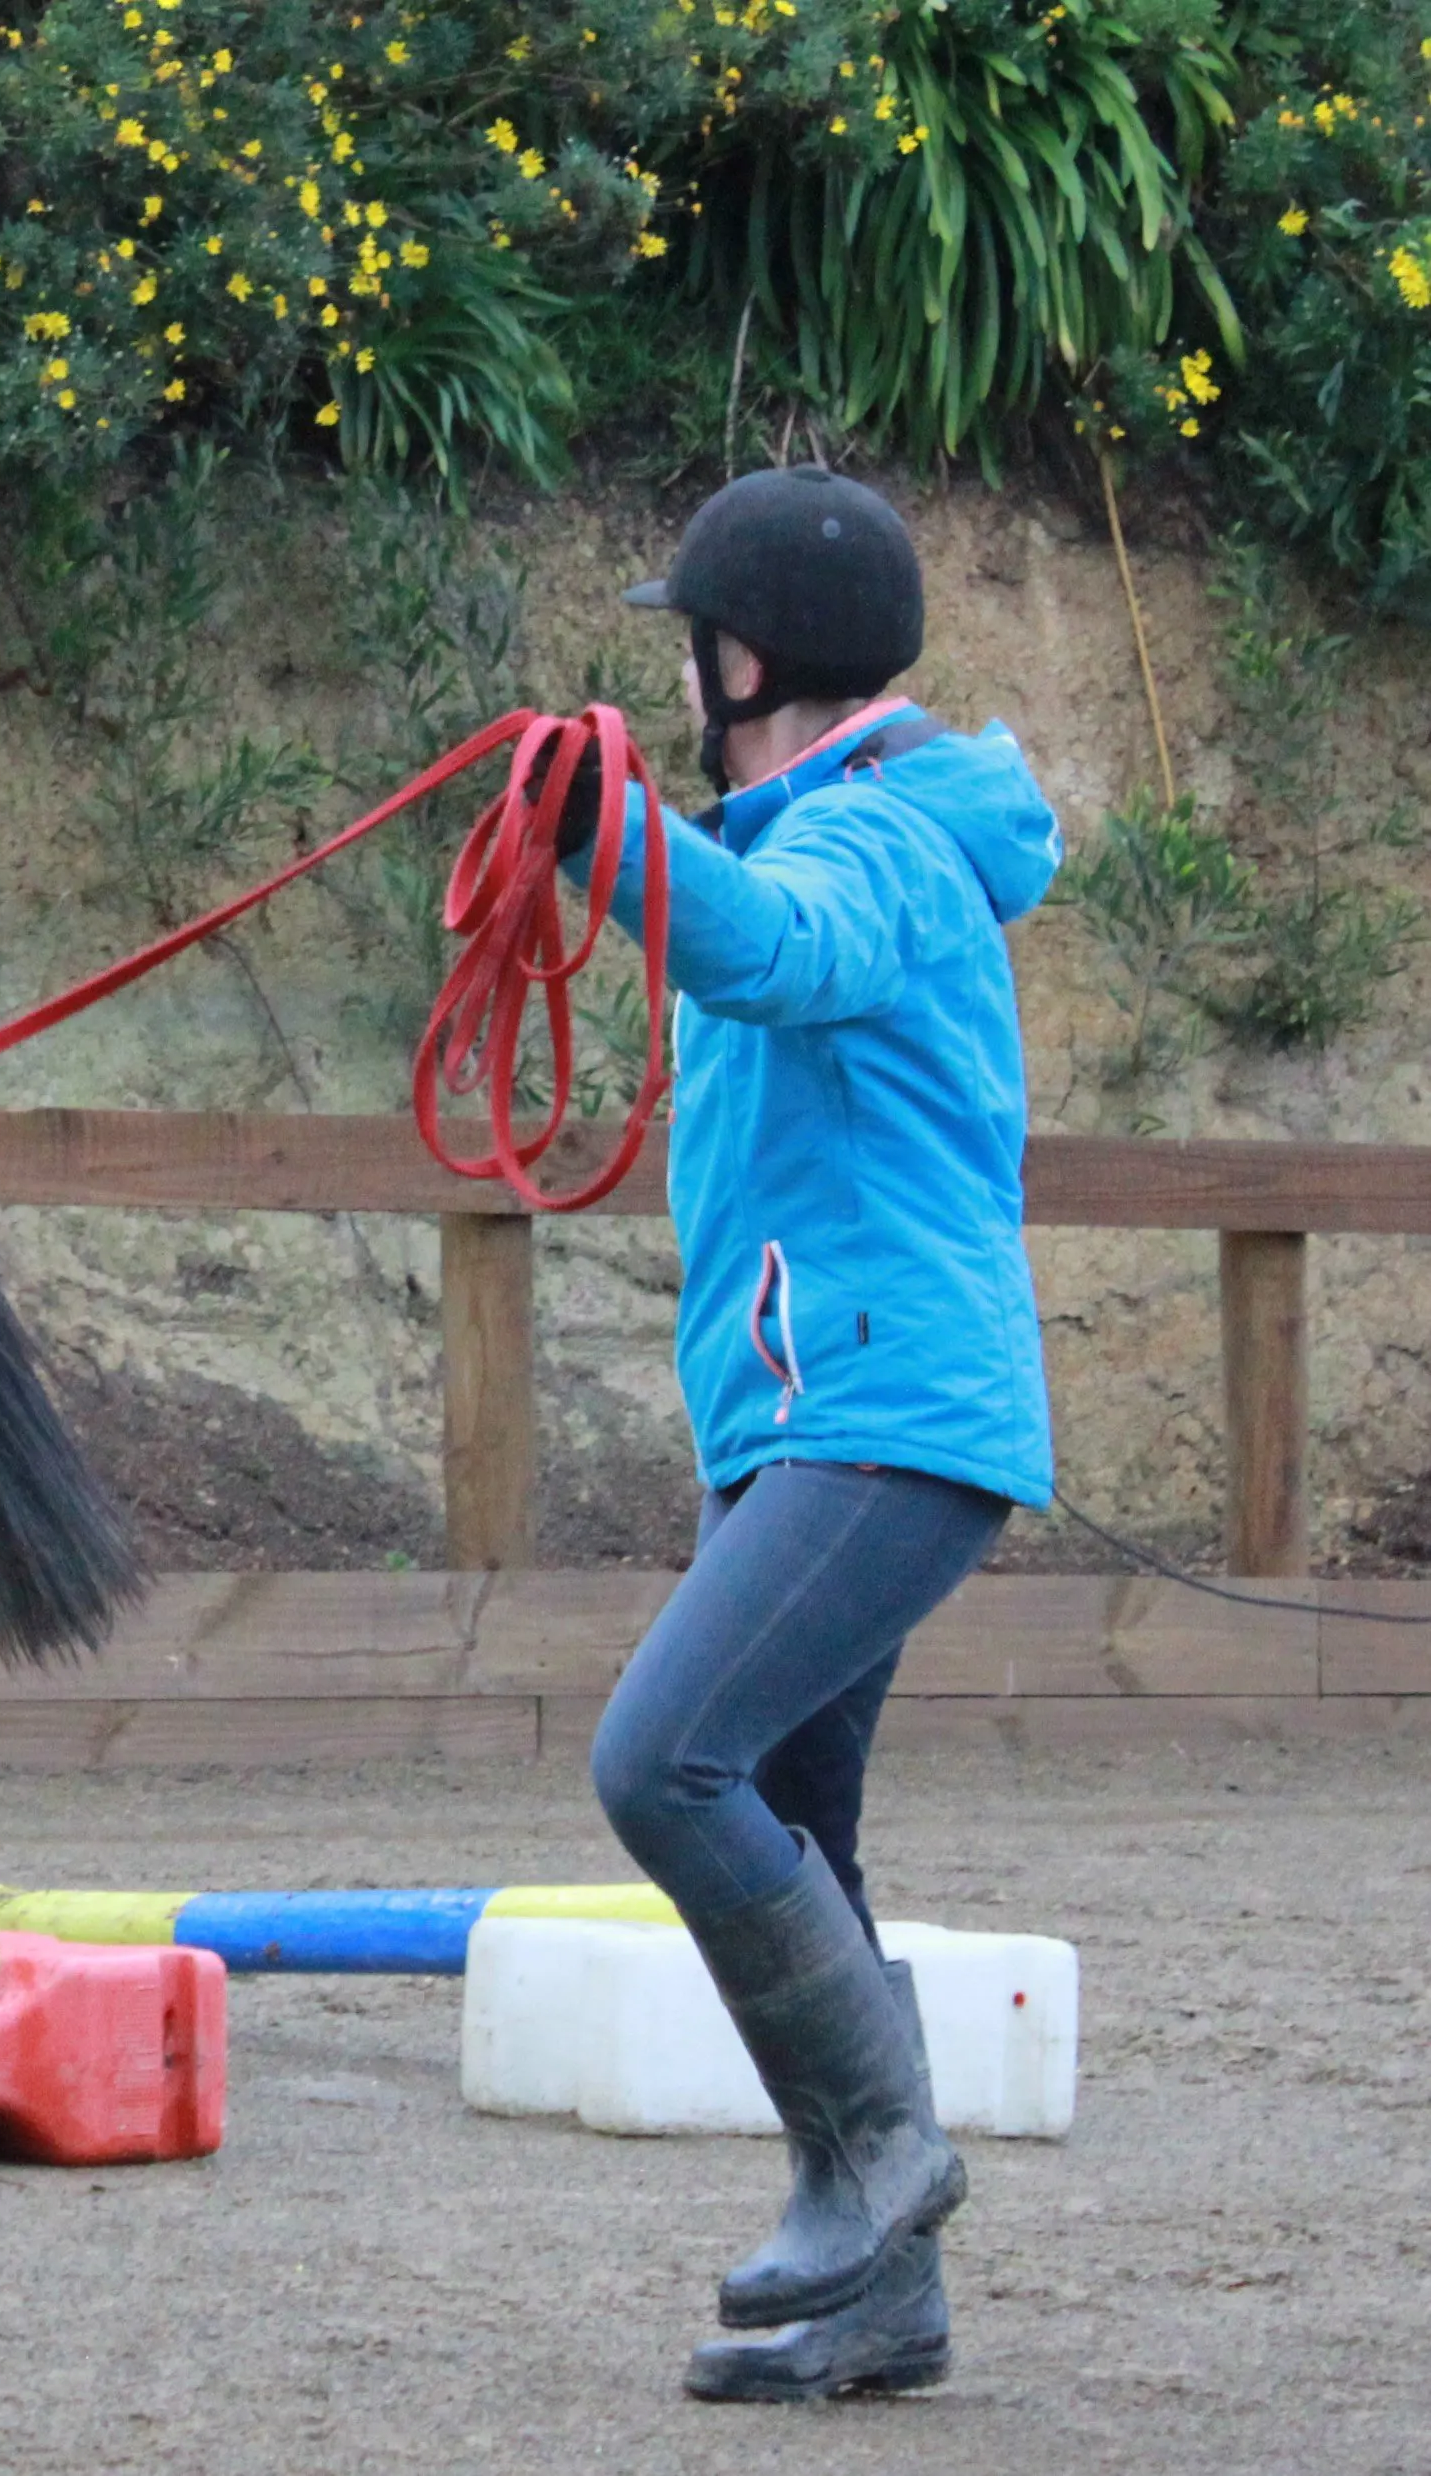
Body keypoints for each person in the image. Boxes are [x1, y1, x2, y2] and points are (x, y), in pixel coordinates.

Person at [550, 464, 1062, 2403]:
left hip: (884, 1411)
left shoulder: (886, 841)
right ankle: (882, 2290)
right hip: (807, 1409)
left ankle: (881, 2158)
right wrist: (633, 846)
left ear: (740, 653)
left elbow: (775, 945)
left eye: (692, 639)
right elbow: (749, 915)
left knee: (660, 1758)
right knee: (803, 1830)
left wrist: (600, 834)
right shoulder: (829, 828)